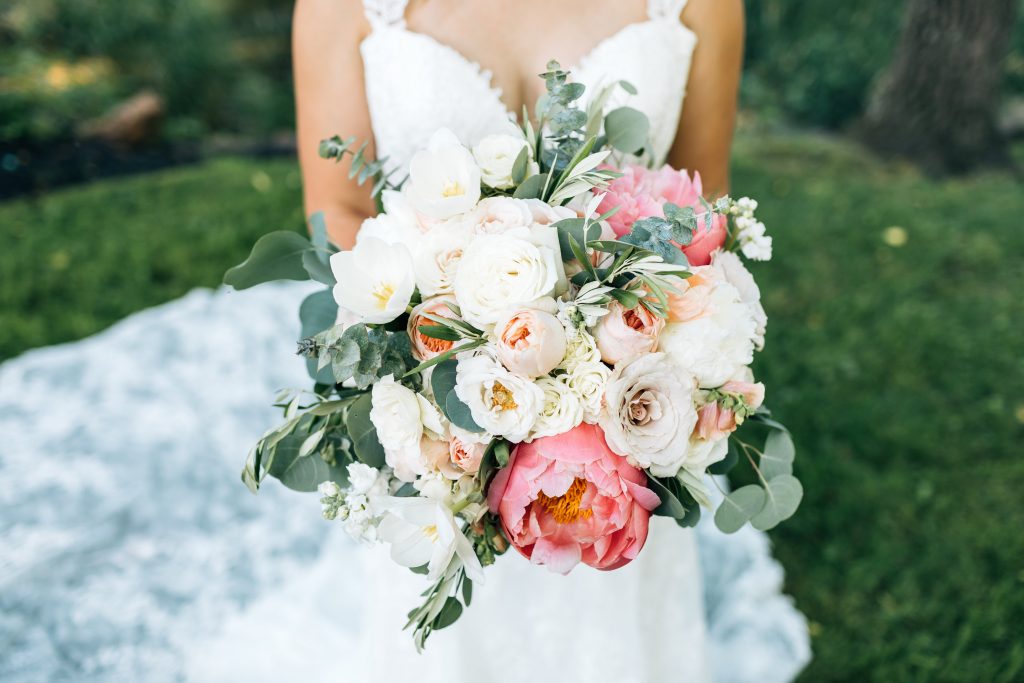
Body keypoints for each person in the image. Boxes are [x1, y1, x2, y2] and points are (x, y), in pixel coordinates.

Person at [0, 1, 809, 681]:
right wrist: (452, 351)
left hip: (630, 408)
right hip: (442, 413)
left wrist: (631, 355)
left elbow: (701, 215)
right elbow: (338, 214)